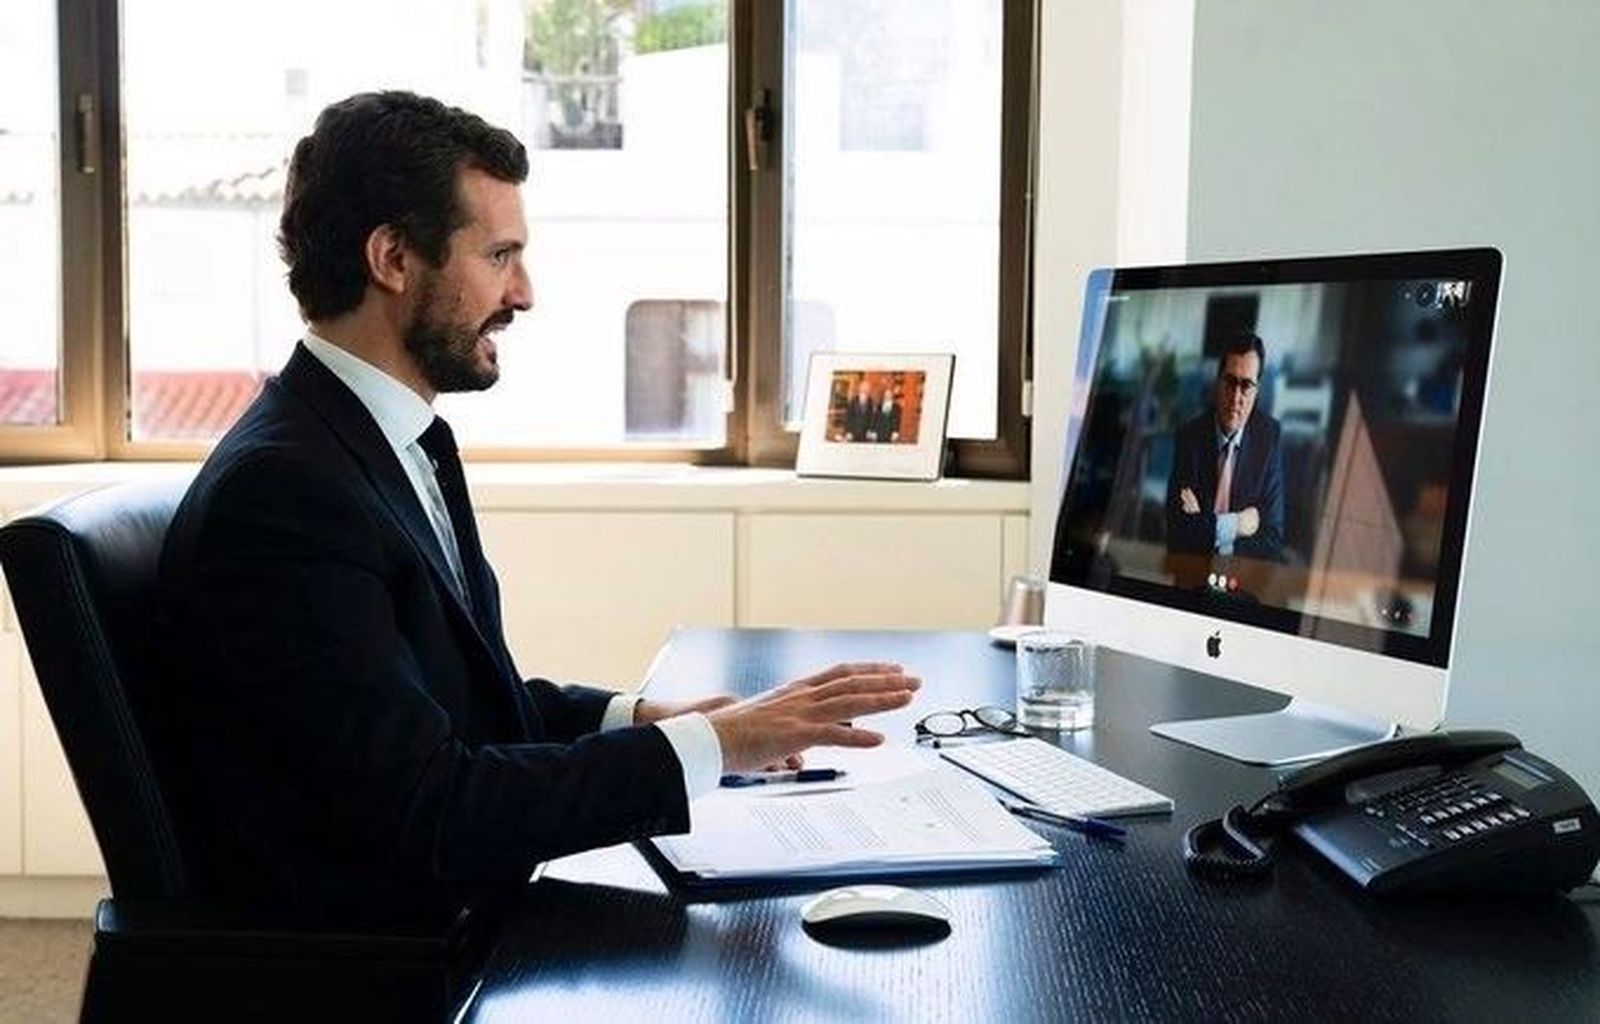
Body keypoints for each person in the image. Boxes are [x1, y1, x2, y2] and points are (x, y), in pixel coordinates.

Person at [158, 91, 919, 922]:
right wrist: (715, 746)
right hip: (401, 951)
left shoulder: (376, 441)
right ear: (393, 258)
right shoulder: (287, 494)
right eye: (500, 256)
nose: (523, 294)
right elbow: (431, 809)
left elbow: (461, 706)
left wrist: (652, 720)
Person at [1166, 331, 1285, 560]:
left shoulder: (1269, 437)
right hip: (1192, 574)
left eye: (1246, 385)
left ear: (1257, 390)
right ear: (1217, 382)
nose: (1236, 398)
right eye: (1230, 382)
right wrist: (1237, 525)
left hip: (1243, 577)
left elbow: (1272, 541)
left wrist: (1207, 534)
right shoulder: (1189, 438)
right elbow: (1177, 536)